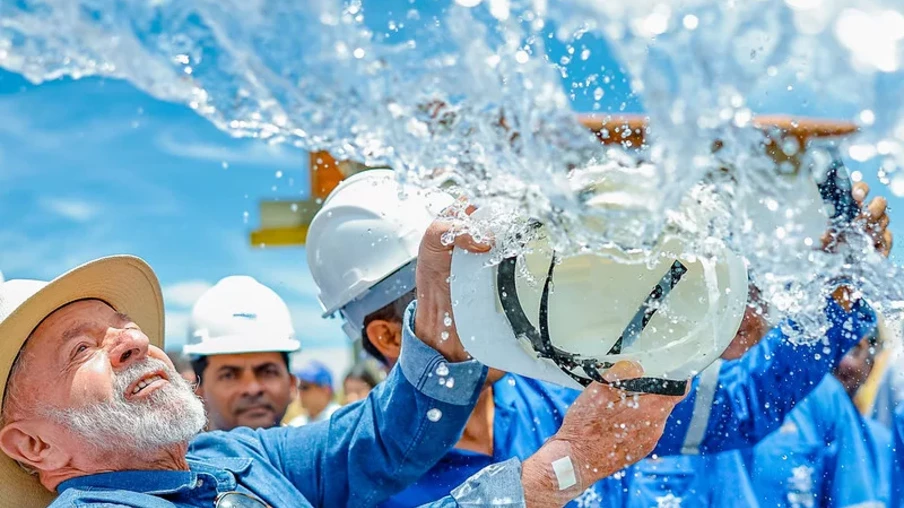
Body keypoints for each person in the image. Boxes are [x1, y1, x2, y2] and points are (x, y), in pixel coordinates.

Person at [0, 220, 685, 507]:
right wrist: (549, 473)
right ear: (32, 443)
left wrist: (441, 314)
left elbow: (384, 439)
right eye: (82, 349)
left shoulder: (229, 459)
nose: (131, 340)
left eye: (125, 327)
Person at [305, 170, 884, 507]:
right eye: (458, 286)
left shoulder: (557, 396)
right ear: (387, 335)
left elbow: (739, 406)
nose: (497, 293)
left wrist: (839, 302)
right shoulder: (355, 484)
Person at [183, 275, 300, 431]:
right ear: (198, 391)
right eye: (229, 375)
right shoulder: (183, 456)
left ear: (292, 384)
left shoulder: (315, 454)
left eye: (267, 372)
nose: (252, 389)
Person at [287, 360, 340, 426]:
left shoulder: (340, 419)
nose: (300, 392)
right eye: (299, 387)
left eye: (305, 387)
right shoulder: (296, 424)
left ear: (325, 390)